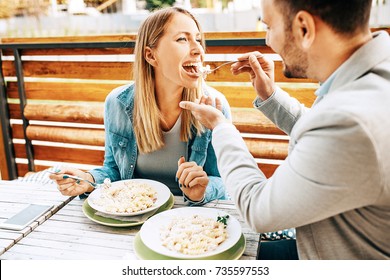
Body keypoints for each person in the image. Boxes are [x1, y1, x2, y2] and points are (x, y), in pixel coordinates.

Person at [179, 0, 390, 259]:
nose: (269, 41)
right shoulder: (371, 79)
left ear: (304, 28)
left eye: (269, 26)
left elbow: (257, 209)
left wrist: (221, 127)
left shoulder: (352, 120)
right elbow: (323, 137)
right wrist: (270, 96)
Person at [49, 7, 231, 204]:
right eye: (182, 39)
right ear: (151, 55)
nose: (198, 50)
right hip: (134, 213)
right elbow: (114, 170)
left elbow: (223, 180)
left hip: (189, 220)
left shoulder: (213, 107)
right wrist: (87, 179)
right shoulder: (118, 103)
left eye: (198, 39)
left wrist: (201, 192)